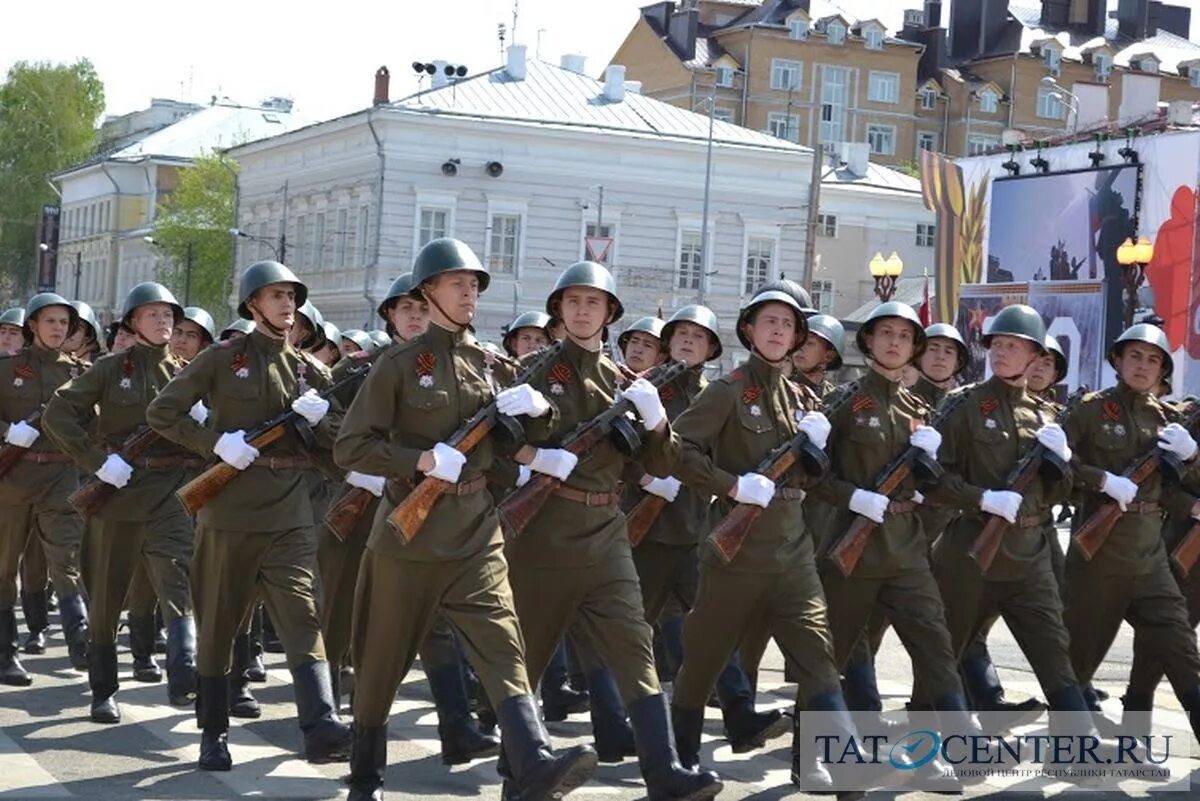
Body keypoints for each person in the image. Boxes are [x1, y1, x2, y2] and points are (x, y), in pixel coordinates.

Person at [334, 239, 599, 801]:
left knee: (504, 645)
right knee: (383, 658)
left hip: (477, 526)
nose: (470, 292)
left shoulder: (488, 363)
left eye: (475, 284)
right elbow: (350, 447)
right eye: (458, 283)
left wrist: (538, 412)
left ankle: (534, 763)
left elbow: (518, 439)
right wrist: (419, 460)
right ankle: (364, 776)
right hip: (412, 533)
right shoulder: (400, 365)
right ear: (427, 293)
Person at [498, 260, 721, 799]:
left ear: (609, 313)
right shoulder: (532, 372)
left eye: (592, 302)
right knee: (527, 659)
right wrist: (533, 449)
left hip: (606, 529)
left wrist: (656, 419)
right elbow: (493, 446)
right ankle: (520, 776)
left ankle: (663, 770)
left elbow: (665, 461)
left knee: (633, 645)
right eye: (572, 302)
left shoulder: (628, 383)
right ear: (558, 311)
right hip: (544, 534)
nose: (581, 310)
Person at [146, 260, 352, 771]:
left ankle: (321, 724)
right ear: (253, 304)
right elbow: (162, 413)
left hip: (291, 515)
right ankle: (212, 732)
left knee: (305, 617)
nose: (286, 304)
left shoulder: (312, 371)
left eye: (291, 296)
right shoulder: (222, 359)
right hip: (230, 513)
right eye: (275, 295)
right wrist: (215, 443)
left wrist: (324, 422)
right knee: (219, 626)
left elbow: (340, 452)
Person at [669, 287, 849, 791]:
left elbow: (811, 481)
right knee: (703, 660)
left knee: (818, 656)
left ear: (796, 337)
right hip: (736, 550)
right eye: (768, 321)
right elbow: (675, 452)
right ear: (749, 329)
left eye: (787, 325)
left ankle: (841, 765)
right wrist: (730, 485)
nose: (777, 330)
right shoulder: (726, 391)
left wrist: (816, 451)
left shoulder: (799, 398)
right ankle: (679, 762)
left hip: (792, 550)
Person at [928, 305, 1113, 766]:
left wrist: (1061, 461)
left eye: (1014, 345)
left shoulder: (1046, 414)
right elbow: (931, 479)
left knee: (1054, 648)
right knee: (945, 650)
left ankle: (1079, 747)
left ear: (1035, 355)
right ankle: (941, 746)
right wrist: (981, 499)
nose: (1003, 353)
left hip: (1029, 555)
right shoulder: (963, 406)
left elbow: (1060, 492)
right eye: (998, 344)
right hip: (971, 550)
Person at [631, 304, 789, 756]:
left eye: (697, 337)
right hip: (646, 531)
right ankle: (617, 716)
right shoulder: (645, 389)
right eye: (679, 334)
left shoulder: (720, 393)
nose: (686, 341)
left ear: (711, 349)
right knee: (625, 629)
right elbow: (609, 449)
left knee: (705, 627)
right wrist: (643, 478)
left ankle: (738, 713)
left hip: (696, 527)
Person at [43, 282, 202, 721]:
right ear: (133, 321)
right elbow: (58, 414)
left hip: (171, 491)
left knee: (177, 582)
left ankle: (184, 673)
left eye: (169, 315)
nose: (164, 322)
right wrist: (96, 462)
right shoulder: (111, 370)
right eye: (153, 315)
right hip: (119, 492)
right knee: (109, 593)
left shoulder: (187, 373)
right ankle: (103, 689)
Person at [1063, 323, 1200, 741]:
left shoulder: (1169, 420)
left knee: (1181, 652)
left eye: (1153, 359)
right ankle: (1065, 746)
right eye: (1135, 356)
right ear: (1118, 361)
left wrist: (1193, 457)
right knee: (1078, 659)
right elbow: (1056, 472)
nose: (1143, 366)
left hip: (1149, 557)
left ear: (1163, 372)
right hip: (1098, 557)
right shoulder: (1088, 411)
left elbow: (1168, 489)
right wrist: (1100, 480)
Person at [0, 293, 89, 686]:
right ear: (32, 326)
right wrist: (6, 432)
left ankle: (80, 638)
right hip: (14, 481)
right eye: (50, 321)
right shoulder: (7, 370)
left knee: (67, 561)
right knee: (5, 569)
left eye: (63, 323)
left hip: (60, 478)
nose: (57, 328)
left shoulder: (82, 375)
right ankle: (6, 654)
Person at [792, 314, 844, 395]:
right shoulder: (781, 389)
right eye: (799, 341)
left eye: (810, 343)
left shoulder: (833, 396)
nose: (800, 347)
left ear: (829, 356)